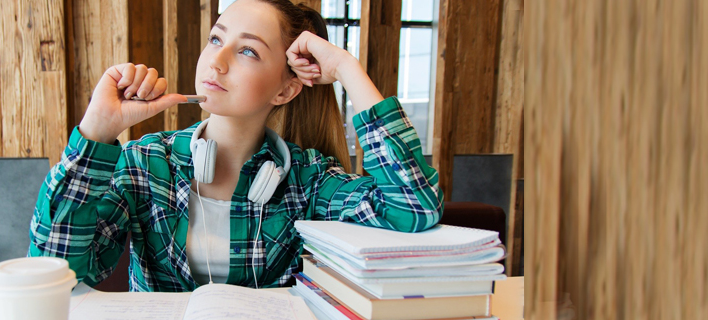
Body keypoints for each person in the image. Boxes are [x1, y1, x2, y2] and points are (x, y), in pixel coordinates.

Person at [28, 0, 443, 292]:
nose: (217, 60)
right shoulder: (145, 162)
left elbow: (414, 207)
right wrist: (97, 132)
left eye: (247, 50)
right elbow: (56, 267)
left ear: (285, 89)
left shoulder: (309, 180)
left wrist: (348, 69)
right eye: (215, 39)